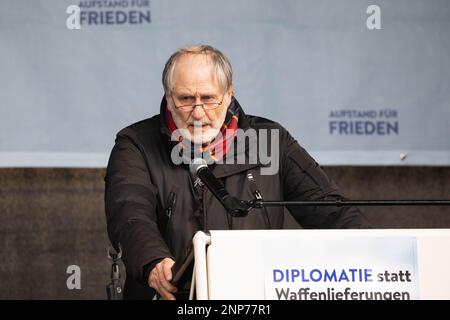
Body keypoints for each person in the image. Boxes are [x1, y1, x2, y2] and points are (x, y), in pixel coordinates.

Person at [104, 44, 371, 300]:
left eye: (208, 98)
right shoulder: (136, 143)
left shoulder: (271, 140)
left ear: (229, 93)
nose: (198, 112)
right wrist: (153, 260)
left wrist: (377, 254)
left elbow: (330, 211)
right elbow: (130, 214)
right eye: (186, 99)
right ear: (169, 97)